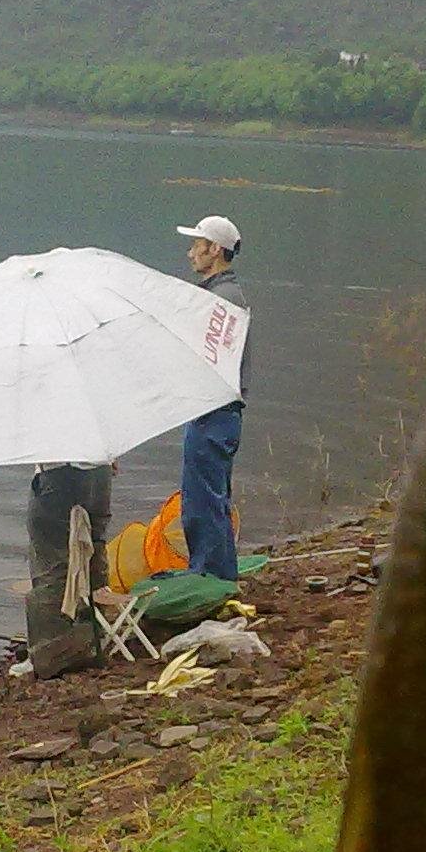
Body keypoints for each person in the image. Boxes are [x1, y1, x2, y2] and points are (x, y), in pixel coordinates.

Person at [175, 213, 249, 581]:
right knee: (210, 501)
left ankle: (211, 582)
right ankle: (218, 578)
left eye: (196, 246)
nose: (190, 254)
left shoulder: (221, 301)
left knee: (202, 506)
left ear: (214, 250)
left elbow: (210, 361)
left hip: (213, 413)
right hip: (215, 413)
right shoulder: (221, 295)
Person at [23, 460, 113, 679]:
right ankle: (92, 637)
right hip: (100, 472)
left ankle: (50, 652)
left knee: (51, 563)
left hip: (58, 475)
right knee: (92, 548)